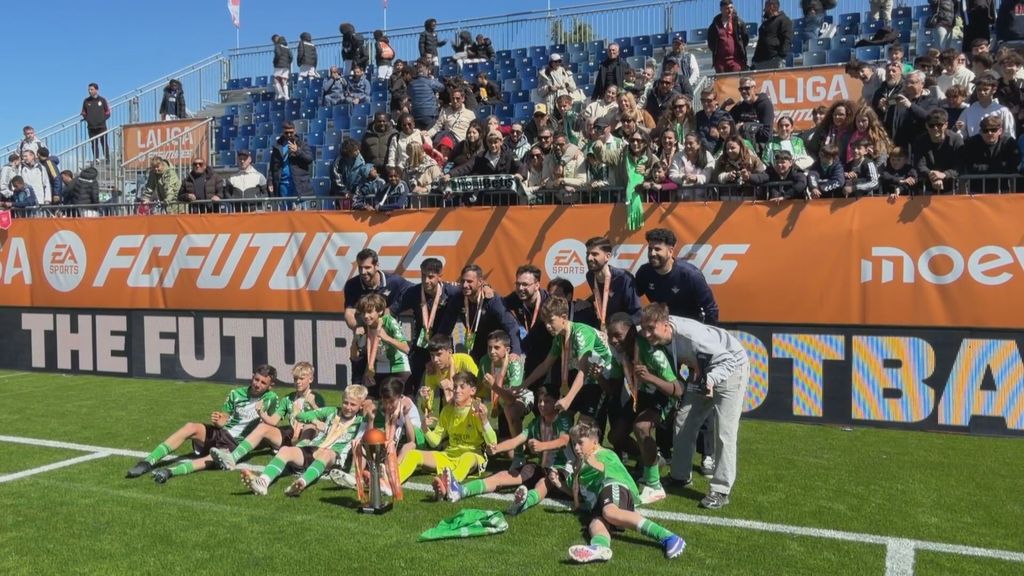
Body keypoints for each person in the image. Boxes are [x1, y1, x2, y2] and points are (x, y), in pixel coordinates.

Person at [640, 303, 750, 510]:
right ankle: (680, 476)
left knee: (725, 431)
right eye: (643, 327)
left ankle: (720, 489)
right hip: (701, 371)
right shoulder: (659, 332)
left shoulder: (692, 338)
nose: (646, 334)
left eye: (650, 329)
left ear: (665, 325)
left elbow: (727, 361)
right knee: (684, 420)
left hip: (731, 367)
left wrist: (709, 380)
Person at [125, 365, 279, 482]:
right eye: (256, 379)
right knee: (191, 427)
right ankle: (147, 462)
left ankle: (170, 472)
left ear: (270, 386)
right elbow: (225, 416)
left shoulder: (271, 399)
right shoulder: (236, 393)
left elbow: (272, 424)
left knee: (211, 461)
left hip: (235, 445)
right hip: (222, 433)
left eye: (263, 382)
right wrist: (220, 420)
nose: (257, 384)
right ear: (252, 377)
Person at [564, 421, 686, 564]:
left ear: (594, 441)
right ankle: (599, 547)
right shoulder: (582, 464)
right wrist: (559, 481)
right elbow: (578, 490)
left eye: (580, 443)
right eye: (574, 444)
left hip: (614, 486)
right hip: (602, 498)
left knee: (610, 512)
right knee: (595, 524)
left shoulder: (605, 453)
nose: (577, 448)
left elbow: (614, 470)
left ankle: (669, 537)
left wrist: (596, 465)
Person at [595, 313, 684, 504]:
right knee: (615, 436)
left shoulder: (651, 351)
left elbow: (677, 390)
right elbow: (613, 388)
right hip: (642, 394)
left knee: (642, 427)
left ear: (631, 332)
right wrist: (599, 377)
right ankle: (652, 459)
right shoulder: (620, 354)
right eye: (610, 336)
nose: (613, 340)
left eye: (618, 335)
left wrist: (650, 378)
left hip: (663, 393)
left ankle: (654, 485)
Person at [445, 386, 572, 505]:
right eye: (540, 401)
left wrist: (542, 446)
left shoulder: (563, 419)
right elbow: (516, 440)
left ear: (557, 402)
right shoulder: (536, 422)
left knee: (544, 482)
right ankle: (460, 490)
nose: (542, 405)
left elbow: (563, 441)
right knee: (503, 475)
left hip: (561, 471)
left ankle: (523, 503)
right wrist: (496, 448)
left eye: (547, 401)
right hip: (542, 468)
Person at [241, 384, 372, 497]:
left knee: (325, 453)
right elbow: (300, 415)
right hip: (314, 448)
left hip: (333, 456)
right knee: (285, 450)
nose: (348, 407)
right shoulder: (332, 411)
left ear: (361, 406)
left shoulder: (362, 421)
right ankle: (263, 482)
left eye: (353, 404)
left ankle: (301, 483)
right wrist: (315, 421)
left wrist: (370, 415)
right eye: (345, 402)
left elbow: (371, 434)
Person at [210, 361, 325, 470]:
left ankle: (302, 455)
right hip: (291, 436)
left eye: (301, 379)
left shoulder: (316, 398)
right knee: (262, 427)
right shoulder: (287, 399)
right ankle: (232, 458)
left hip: (311, 436)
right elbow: (273, 422)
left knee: (308, 426)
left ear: (310, 379)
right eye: (295, 379)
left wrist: (313, 405)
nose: (298, 382)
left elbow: (324, 422)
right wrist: (262, 413)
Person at [399, 370, 496, 497]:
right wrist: (425, 429)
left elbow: (493, 442)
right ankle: (391, 482)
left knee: (467, 457)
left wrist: (484, 420)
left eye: (462, 387)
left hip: (473, 456)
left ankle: (448, 486)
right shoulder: (447, 410)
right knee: (413, 455)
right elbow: (435, 442)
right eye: (455, 387)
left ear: (472, 391)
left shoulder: (476, 409)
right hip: (448, 456)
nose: (456, 390)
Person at [521, 296, 613, 425]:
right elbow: (545, 365)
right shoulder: (559, 338)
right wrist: (522, 386)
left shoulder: (581, 332)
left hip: (601, 380)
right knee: (562, 422)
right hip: (584, 380)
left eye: (551, 321)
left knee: (584, 428)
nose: (547, 326)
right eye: (545, 321)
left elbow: (584, 369)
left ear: (564, 317)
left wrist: (568, 399)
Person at [389, 258, 463, 393]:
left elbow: (474, 287)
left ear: (440, 275)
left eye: (431, 277)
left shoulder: (452, 292)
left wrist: (486, 287)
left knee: (447, 387)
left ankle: (446, 413)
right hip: (420, 345)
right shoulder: (413, 292)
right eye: (423, 276)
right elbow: (391, 311)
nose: (426, 281)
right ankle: (410, 412)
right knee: (409, 383)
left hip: (442, 348)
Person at [635, 227, 719, 324]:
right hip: (660, 326)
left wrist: (708, 335)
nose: (652, 253)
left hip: (690, 326)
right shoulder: (644, 272)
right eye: (650, 249)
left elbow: (711, 308)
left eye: (657, 249)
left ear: (670, 251)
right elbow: (631, 298)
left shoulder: (691, 275)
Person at [341, 248, 413, 334]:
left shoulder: (394, 281)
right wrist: (356, 327)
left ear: (377, 266)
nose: (363, 272)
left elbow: (414, 292)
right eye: (360, 268)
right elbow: (349, 312)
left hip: (390, 332)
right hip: (365, 331)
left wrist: (393, 309)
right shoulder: (352, 285)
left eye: (367, 268)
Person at [350, 293, 411, 394]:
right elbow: (354, 357)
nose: (366, 316)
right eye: (363, 312)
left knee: (402, 404)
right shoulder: (363, 326)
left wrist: (386, 338)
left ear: (380, 311)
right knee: (369, 405)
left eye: (369, 312)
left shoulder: (389, 322)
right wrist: (355, 339)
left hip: (398, 366)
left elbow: (406, 349)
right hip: (378, 368)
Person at [961, 115, 1020, 193]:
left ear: (1000, 131)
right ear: (980, 132)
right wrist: (999, 166)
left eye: (993, 130)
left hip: (1002, 191)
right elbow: (970, 167)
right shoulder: (971, 143)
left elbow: (1012, 167)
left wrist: (984, 168)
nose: (989, 133)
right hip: (977, 191)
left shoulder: (1009, 143)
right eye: (985, 130)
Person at [913, 109, 964, 194]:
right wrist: (933, 175)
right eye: (931, 125)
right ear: (926, 126)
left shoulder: (956, 139)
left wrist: (944, 175)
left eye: (939, 125)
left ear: (946, 125)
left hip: (951, 188)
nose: (935, 128)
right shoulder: (920, 141)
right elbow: (919, 165)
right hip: (926, 188)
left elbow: (959, 165)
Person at [269, 122, 313, 202]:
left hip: (298, 185)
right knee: (286, 213)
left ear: (295, 131)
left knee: (299, 213)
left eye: (291, 132)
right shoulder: (277, 146)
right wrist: (270, 181)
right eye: (286, 133)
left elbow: (309, 159)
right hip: (283, 185)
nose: (289, 134)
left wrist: (298, 151)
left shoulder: (302, 144)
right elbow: (272, 167)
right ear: (283, 132)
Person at [729, 76, 775, 148]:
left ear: (754, 88)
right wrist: (724, 105)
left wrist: (744, 128)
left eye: (747, 88)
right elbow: (726, 122)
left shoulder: (765, 104)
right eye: (741, 89)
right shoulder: (739, 106)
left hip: (761, 148)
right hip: (743, 148)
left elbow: (767, 134)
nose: (743, 91)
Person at [707, 0, 750, 73]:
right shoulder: (714, 27)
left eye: (731, 8)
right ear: (721, 9)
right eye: (727, 8)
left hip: (736, 61)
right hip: (720, 63)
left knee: (735, 83)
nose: (729, 10)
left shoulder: (739, 23)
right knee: (723, 83)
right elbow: (711, 44)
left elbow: (745, 39)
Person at [752, 0, 793, 70]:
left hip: (774, 61)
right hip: (759, 62)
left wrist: (781, 56)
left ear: (772, 6)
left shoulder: (783, 20)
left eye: (766, 6)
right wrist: (754, 59)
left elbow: (787, 39)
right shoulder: (765, 23)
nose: (764, 10)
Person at [80, 83, 111, 161]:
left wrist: (102, 119)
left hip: (102, 126)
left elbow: (108, 112)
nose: (90, 91)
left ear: (96, 90)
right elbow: (83, 112)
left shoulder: (102, 100)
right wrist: (88, 119)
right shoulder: (86, 101)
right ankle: (96, 158)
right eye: (89, 90)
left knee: (104, 143)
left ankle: (107, 158)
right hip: (91, 127)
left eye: (91, 89)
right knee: (94, 144)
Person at [271, 34, 292, 101]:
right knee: (284, 80)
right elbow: (291, 57)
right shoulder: (287, 47)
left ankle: (280, 94)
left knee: (275, 79)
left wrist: (274, 62)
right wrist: (288, 63)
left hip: (279, 65)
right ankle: (286, 96)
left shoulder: (277, 46)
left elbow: (278, 54)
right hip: (286, 66)